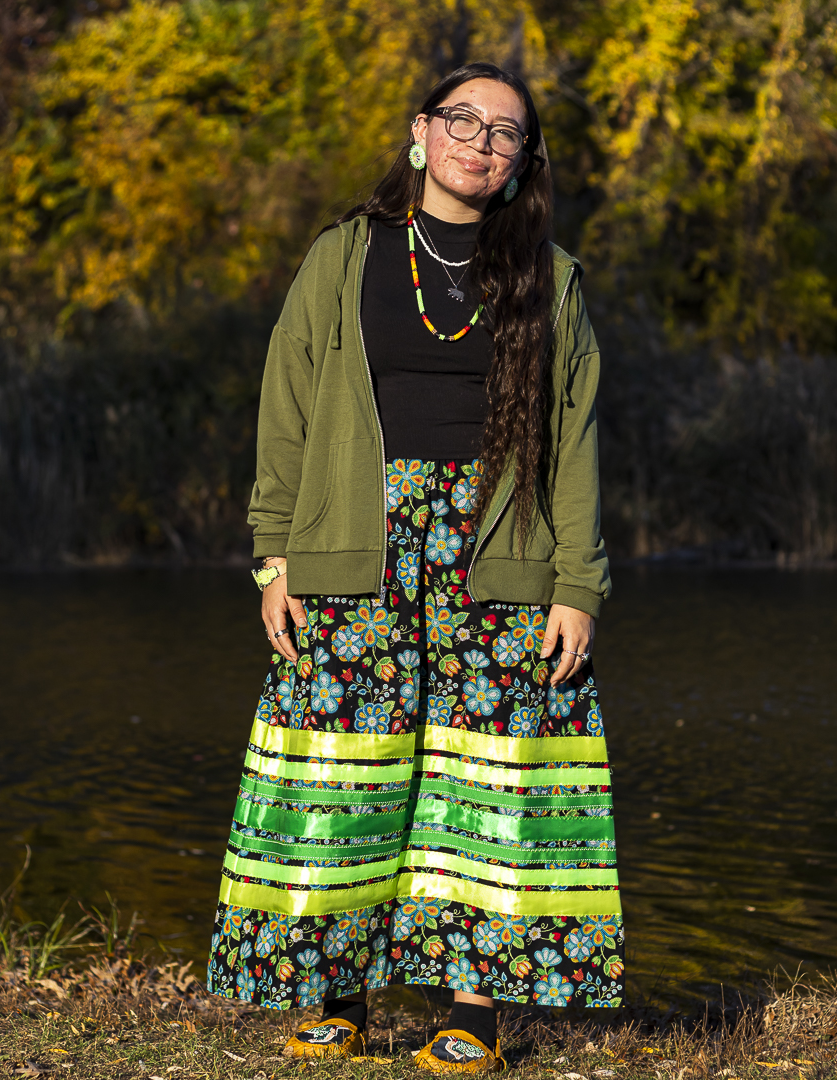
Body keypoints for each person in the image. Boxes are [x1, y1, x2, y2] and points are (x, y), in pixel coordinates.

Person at [207, 61, 623, 1073]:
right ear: (421, 132)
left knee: (486, 787)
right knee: (344, 776)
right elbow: (288, 407)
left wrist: (578, 586)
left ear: (525, 163)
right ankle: (339, 998)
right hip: (357, 542)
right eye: (463, 121)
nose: (481, 143)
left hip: (500, 557)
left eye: (506, 133)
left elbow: (573, 442)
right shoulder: (343, 256)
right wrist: (273, 556)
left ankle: (469, 1011)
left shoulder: (552, 279)